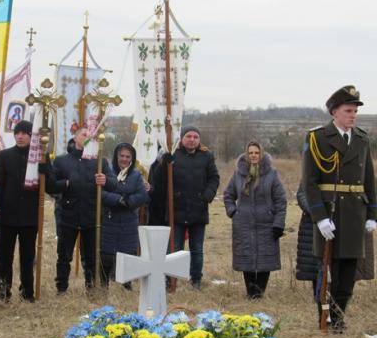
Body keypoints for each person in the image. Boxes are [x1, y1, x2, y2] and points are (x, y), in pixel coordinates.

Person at [302, 85, 377, 332]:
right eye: (348, 110)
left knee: (347, 274)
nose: (353, 115)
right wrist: (320, 217)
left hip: (355, 215)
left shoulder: (362, 139)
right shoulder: (317, 138)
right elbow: (310, 183)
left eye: (355, 111)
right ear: (334, 112)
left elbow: (369, 178)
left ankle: (339, 318)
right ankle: (324, 317)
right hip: (330, 214)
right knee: (327, 273)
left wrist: (372, 214)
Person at [45, 127, 117, 292]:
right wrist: (65, 184)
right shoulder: (62, 160)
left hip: (92, 215)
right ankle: (61, 288)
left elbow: (113, 184)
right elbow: (50, 186)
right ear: (75, 138)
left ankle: (91, 287)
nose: (87, 137)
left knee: (91, 256)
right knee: (64, 256)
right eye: (84, 134)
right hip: (67, 216)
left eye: (90, 135)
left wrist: (105, 180)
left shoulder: (100, 161)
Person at [152, 126, 220, 289]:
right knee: (174, 248)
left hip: (198, 209)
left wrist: (207, 195)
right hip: (176, 209)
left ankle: (195, 279)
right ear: (182, 139)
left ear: (199, 140)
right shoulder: (173, 154)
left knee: (197, 249)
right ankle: (170, 281)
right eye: (189, 136)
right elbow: (158, 180)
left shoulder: (207, 156)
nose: (192, 139)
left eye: (195, 137)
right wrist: (162, 164)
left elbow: (214, 178)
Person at [223, 141, 287, 299]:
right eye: (250, 153)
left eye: (256, 153)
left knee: (265, 257)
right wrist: (233, 212)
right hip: (243, 223)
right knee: (246, 256)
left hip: (266, 223)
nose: (253, 156)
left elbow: (280, 199)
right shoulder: (238, 174)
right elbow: (228, 195)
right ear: (246, 154)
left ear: (261, 154)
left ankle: (259, 291)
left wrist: (278, 223)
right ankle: (250, 291)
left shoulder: (271, 174)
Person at [0, 120, 38, 302]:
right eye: (17, 133)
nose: (20, 136)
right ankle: (4, 290)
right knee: (5, 256)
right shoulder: (4, 156)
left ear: (31, 136)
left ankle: (27, 291)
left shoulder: (38, 156)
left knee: (27, 257)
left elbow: (49, 184)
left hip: (30, 216)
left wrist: (44, 168)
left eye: (24, 133)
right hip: (8, 215)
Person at [100, 143, 149, 286]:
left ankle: (126, 284)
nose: (124, 159)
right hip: (110, 218)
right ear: (116, 156)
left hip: (128, 219)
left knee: (127, 253)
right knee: (107, 254)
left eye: (128, 156)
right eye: (122, 156)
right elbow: (101, 193)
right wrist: (118, 199)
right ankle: (104, 283)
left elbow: (141, 195)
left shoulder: (136, 175)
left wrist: (127, 201)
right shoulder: (108, 172)